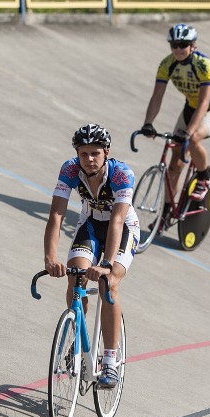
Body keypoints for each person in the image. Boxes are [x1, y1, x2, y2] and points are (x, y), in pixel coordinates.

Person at [43, 124, 140, 388]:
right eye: (84, 153)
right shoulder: (70, 169)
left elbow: (118, 221)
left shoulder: (121, 174)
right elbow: (56, 215)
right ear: (77, 153)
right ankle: (78, 332)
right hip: (90, 225)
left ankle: (109, 361)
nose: (89, 159)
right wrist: (50, 258)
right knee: (75, 276)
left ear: (106, 152)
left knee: (108, 284)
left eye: (95, 153)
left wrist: (107, 264)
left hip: (122, 229)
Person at [140, 23, 210, 203]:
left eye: (183, 44)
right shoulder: (167, 64)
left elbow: (204, 102)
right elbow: (157, 96)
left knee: (193, 138)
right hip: (191, 107)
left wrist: (188, 133)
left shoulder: (204, 65)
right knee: (174, 165)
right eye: (174, 45)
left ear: (193, 46)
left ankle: (203, 178)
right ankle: (166, 211)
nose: (178, 49)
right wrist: (148, 123)